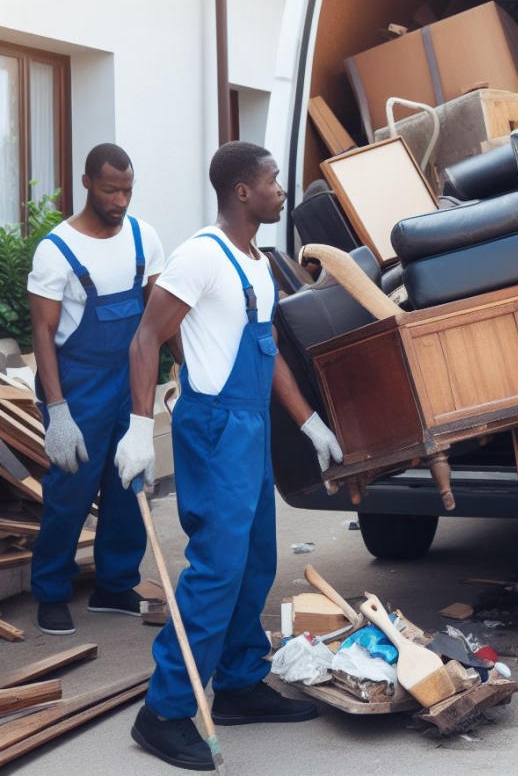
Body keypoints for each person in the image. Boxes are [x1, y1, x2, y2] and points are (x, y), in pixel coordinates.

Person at [115, 141, 343, 772]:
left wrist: (310, 422)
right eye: (272, 181)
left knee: (255, 561)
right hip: (213, 427)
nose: (280, 190)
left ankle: (240, 683)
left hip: (249, 426)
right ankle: (163, 711)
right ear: (242, 191)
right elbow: (145, 339)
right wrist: (138, 430)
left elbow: (266, 354)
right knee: (216, 567)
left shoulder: (256, 261)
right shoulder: (200, 257)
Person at [28, 143, 165, 636]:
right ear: (87, 182)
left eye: (128, 190)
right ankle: (50, 589)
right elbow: (41, 332)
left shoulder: (143, 237)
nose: (121, 200)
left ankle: (114, 584)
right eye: (111, 190)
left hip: (129, 378)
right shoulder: (56, 250)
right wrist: (58, 410)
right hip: (78, 383)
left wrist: (175, 381)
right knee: (71, 488)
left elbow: (157, 320)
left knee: (129, 485)